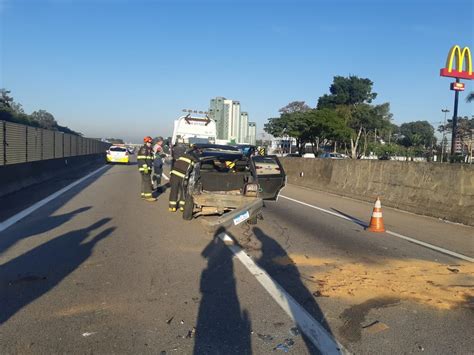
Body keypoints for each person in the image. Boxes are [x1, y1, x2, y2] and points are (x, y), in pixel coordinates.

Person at [137, 136, 156, 201]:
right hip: (145, 168)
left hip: (147, 168)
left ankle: (143, 195)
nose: (151, 144)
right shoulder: (144, 149)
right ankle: (148, 197)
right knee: (147, 181)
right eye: (150, 143)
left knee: (144, 181)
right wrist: (145, 168)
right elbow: (141, 159)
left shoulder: (149, 149)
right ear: (147, 142)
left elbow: (149, 158)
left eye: (151, 143)